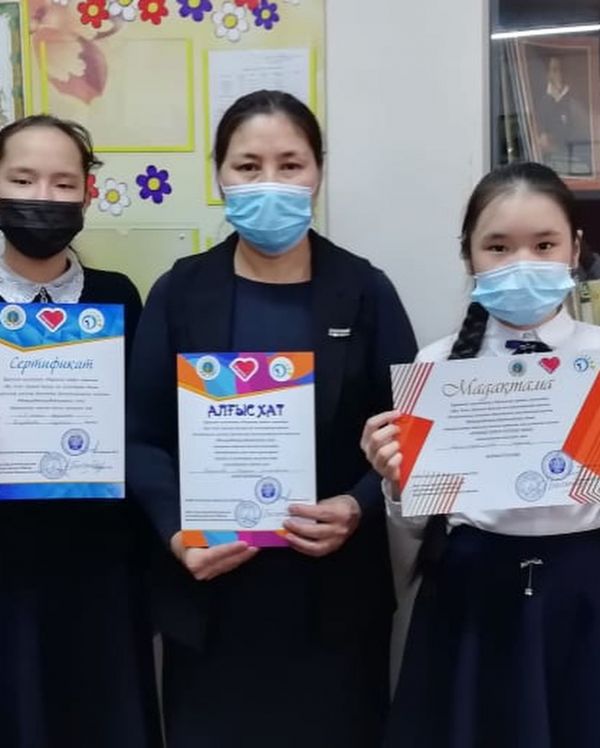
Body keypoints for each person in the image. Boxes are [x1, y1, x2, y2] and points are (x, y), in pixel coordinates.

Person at [127, 89, 418, 748]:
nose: (269, 183)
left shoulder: (365, 290)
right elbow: (140, 437)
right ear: (218, 176)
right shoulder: (180, 291)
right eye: (248, 166)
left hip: (334, 604)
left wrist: (357, 504)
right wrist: (176, 534)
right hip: (212, 597)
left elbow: (410, 430)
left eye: (290, 165)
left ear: (319, 172)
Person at [362, 161, 600, 748]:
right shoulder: (435, 367)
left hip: (583, 595)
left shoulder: (597, 357)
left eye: (543, 245)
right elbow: (415, 527)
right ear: (467, 255)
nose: (522, 264)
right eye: (498, 247)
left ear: (574, 249)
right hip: (471, 597)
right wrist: (395, 480)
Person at [0, 115, 161, 748]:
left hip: (101, 564)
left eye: (63, 183)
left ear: (88, 194)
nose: (42, 197)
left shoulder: (119, 296)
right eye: (22, 180)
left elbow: (143, 425)